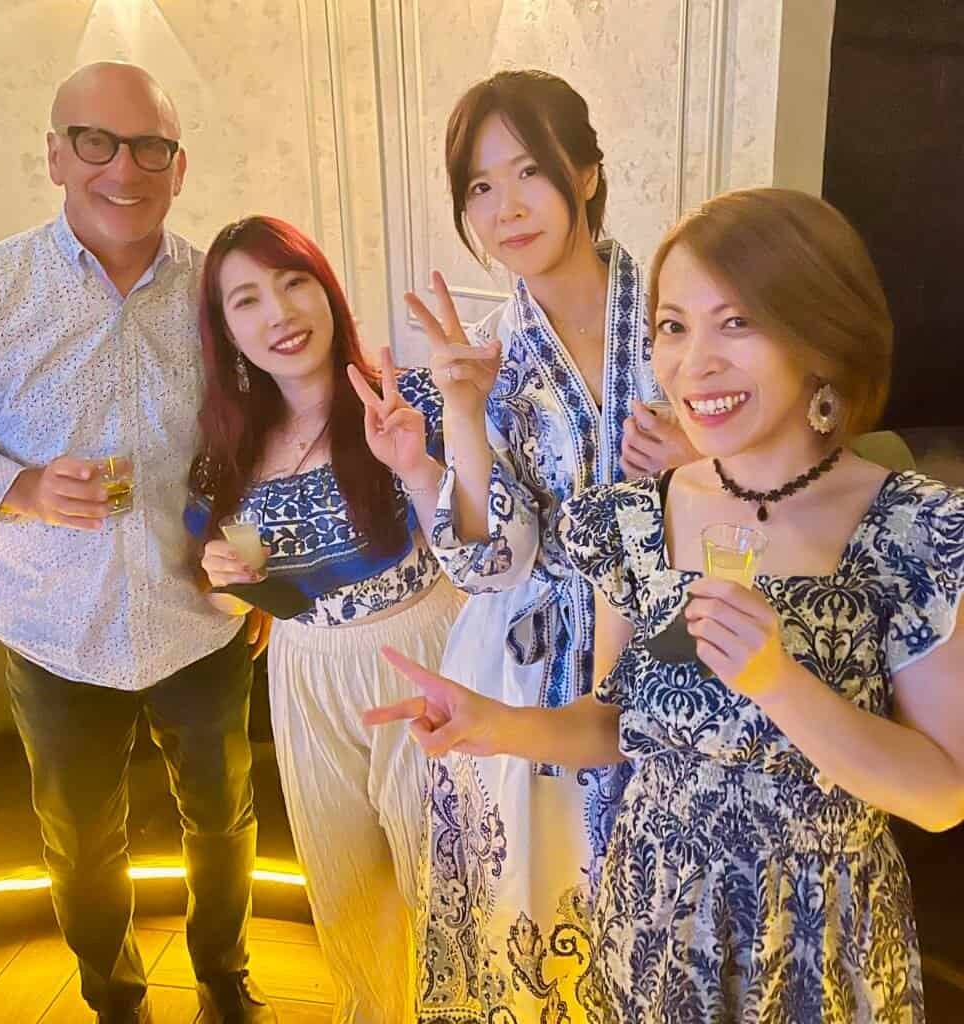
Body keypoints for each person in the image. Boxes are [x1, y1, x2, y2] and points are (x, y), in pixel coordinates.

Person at [367, 187, 964, 1022]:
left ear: (823, 335)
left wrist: (778, 681)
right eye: (674, 327)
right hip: (653, 924)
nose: (694, 363)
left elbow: (941, 795)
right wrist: (490, 724)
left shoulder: (914, 529)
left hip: (814, 938)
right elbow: (613, 726)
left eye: (738, 322)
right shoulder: (634, 518)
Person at [0, 63, 275, 1024]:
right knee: (80, 840)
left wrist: (258, 573)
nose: (124, 169)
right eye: (97, 142)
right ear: (56, 154)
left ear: (179, 166)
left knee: (224, 817)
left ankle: (224, 980)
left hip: (198, 618)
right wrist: (22, 488)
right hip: (55, 629)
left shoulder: (218, 289)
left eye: (150, 148)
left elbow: (259, 443)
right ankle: (116, 1003)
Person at [375, 69, 694, 1021]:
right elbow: (491, 564)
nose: (505, 208)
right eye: (479, 186)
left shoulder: (682, 316)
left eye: (528, 172)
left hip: (676, 652)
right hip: (524, 668)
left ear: (586, 174)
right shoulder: (482, 352)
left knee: (665, 921)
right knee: (534, 926)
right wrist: (462, 412)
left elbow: (778, 461)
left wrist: (697, 464)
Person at [194, 215, 463, 1024]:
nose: (279, 313)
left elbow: (473, 547)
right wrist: (227, 581)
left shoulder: (405, 398)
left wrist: (419, 464)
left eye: (293, 283)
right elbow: (229, 596)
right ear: (227, 331)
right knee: (344, 879)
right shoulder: (227, 451)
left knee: (444, 874)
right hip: (306, 667)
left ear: (327, 291)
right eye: (247, 300)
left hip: (422, 648)